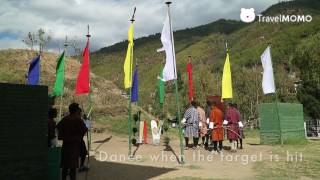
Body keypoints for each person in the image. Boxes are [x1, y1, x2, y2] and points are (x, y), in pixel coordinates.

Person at [57, 103, 87, 180]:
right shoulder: (77, 119)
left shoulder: (65, 119)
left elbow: (58, 127)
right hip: (74, 145)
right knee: (73, 167)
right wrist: (79, 136)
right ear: (76, 110)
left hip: (66, 145)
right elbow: (84, 129)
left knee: (65, 166)